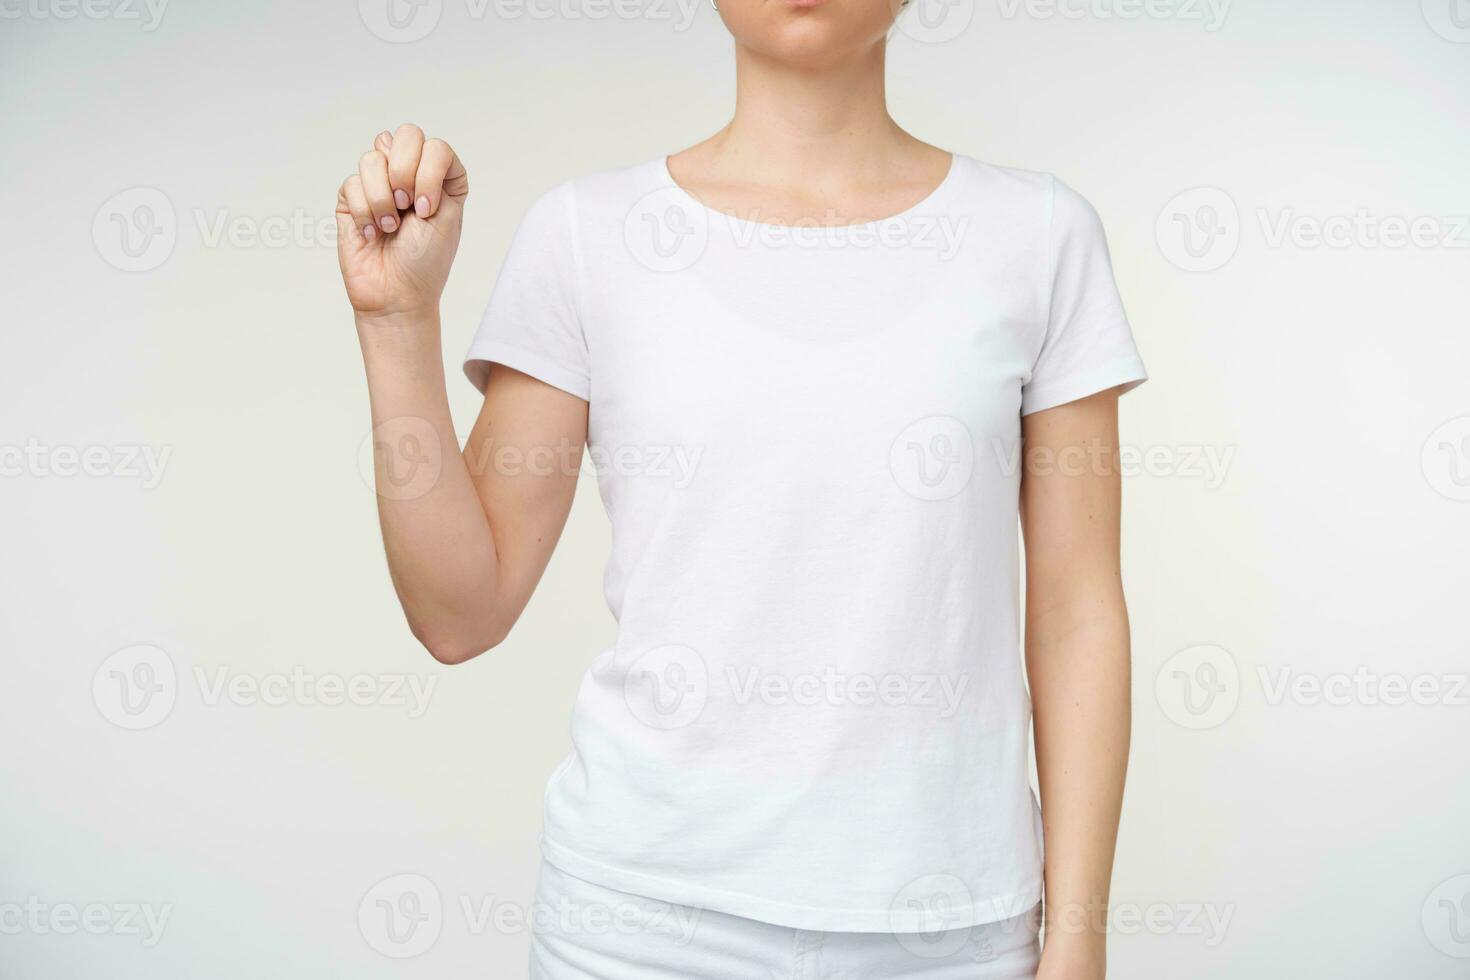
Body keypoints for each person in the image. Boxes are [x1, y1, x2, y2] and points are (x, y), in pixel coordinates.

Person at [334, 0, 1146, 975]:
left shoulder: (1041, 236)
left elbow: (1076, 611)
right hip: (636, 928)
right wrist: (397, 324)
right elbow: (458, 613)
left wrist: (1081, 935)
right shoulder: (589, 235)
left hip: (956, 933)